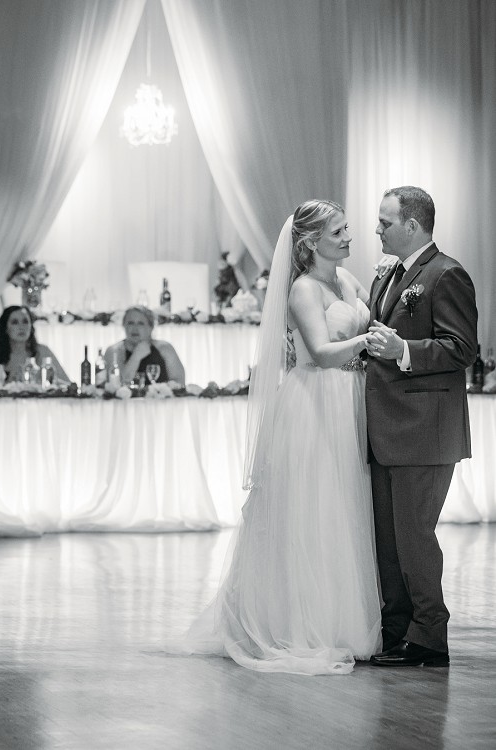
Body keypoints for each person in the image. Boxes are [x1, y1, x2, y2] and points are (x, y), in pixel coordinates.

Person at [162, 200, 382, 675]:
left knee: (343, 510)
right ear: (309, 243)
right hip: (315, 404)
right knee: (311, 511)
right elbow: (322, 353)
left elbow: (369, 318)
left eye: (347, 230)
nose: (349, 238)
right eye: (339, 232)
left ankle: (341, 620)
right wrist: (366, 343)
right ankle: (297, 624)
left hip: (349, 401)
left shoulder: (348, 281)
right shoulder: (303, 289)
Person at [365, 186, 478, 667]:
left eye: (385, 221)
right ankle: (396, 632)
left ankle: (430, 638)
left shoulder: (446, 273)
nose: (377, 229)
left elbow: (461, 348)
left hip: (425, 430)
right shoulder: (390, 275)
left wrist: (404, 352)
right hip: (386, 427)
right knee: (388, 541)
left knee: (415, 537)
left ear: (413, 225)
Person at [104, 306, 185, 386]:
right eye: (130, 323)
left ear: (151, 327)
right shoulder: (114, 351)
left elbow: (179, 383)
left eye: (140, 323)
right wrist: (136, 356)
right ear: (124, 326)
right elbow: (117, 386)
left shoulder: (165, 348)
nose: (135, 328)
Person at [0, 305, 70, 383]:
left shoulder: (43, 351)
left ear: (31, 326)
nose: (21, 327)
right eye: (15, 322)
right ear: (5, 328)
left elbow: (67, 384)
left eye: (25, 322)